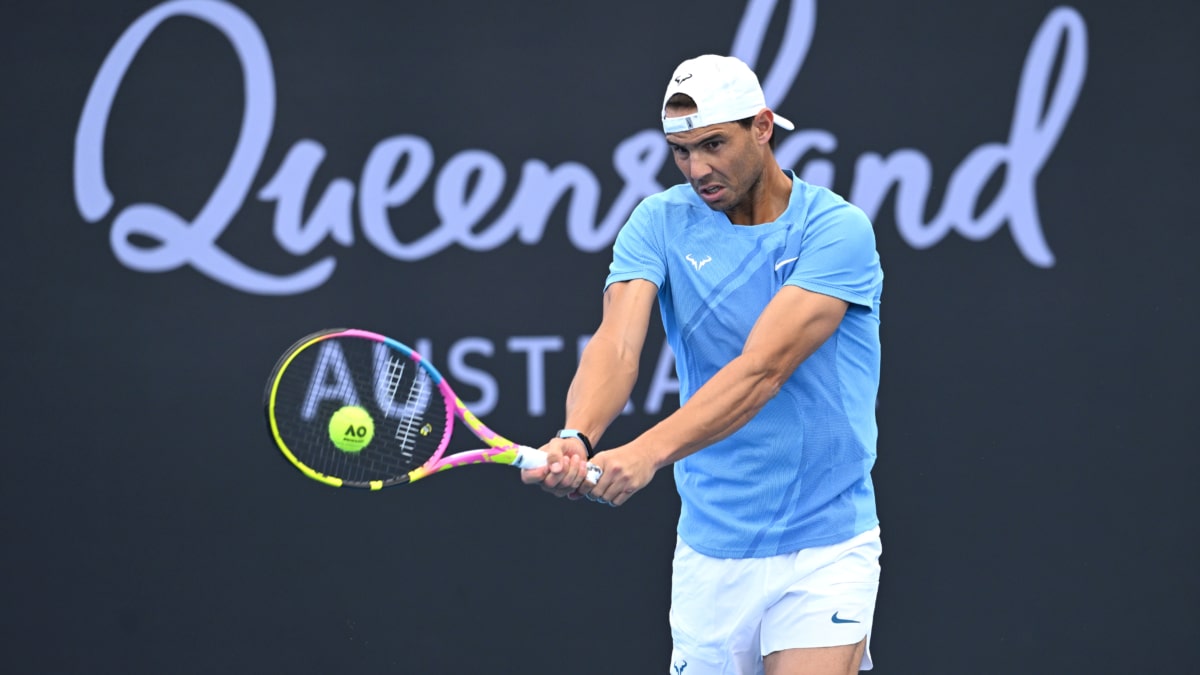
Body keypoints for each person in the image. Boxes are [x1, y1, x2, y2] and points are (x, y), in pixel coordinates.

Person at [522, 54, 884, 675]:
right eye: (681, 151)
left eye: (714, 143)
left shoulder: (836, 231)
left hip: (826, 545)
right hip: (710, 553)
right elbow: (618, 344)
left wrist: (646, 453)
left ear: (763, 127)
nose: (699, 168)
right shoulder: (658, 224)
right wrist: (577, 435)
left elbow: (762, 371)